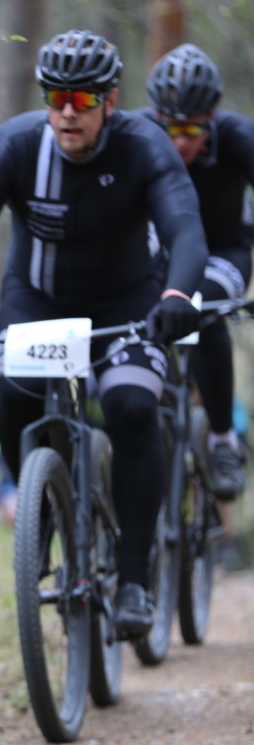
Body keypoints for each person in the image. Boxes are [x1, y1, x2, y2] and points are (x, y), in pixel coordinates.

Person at [0, 29, 208, 640]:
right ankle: (43, 513)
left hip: (127, 303)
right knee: (14, 395)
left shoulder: (143, 146)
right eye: (55, 95)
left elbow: (186, 229)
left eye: (83, 98)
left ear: (110, 101)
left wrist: (177, 296)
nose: (67, 110)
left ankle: (133, 580)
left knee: (129, 405)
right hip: (37, 300)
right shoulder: (18, 146)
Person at [143, 43, 253, 501]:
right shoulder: (137, 132)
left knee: (200, 307)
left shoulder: (239, 137)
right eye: (170, 128)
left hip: (223, 252)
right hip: (156, 251)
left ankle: (223, 437)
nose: (180, 141)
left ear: (212, 117)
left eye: (192, 129)